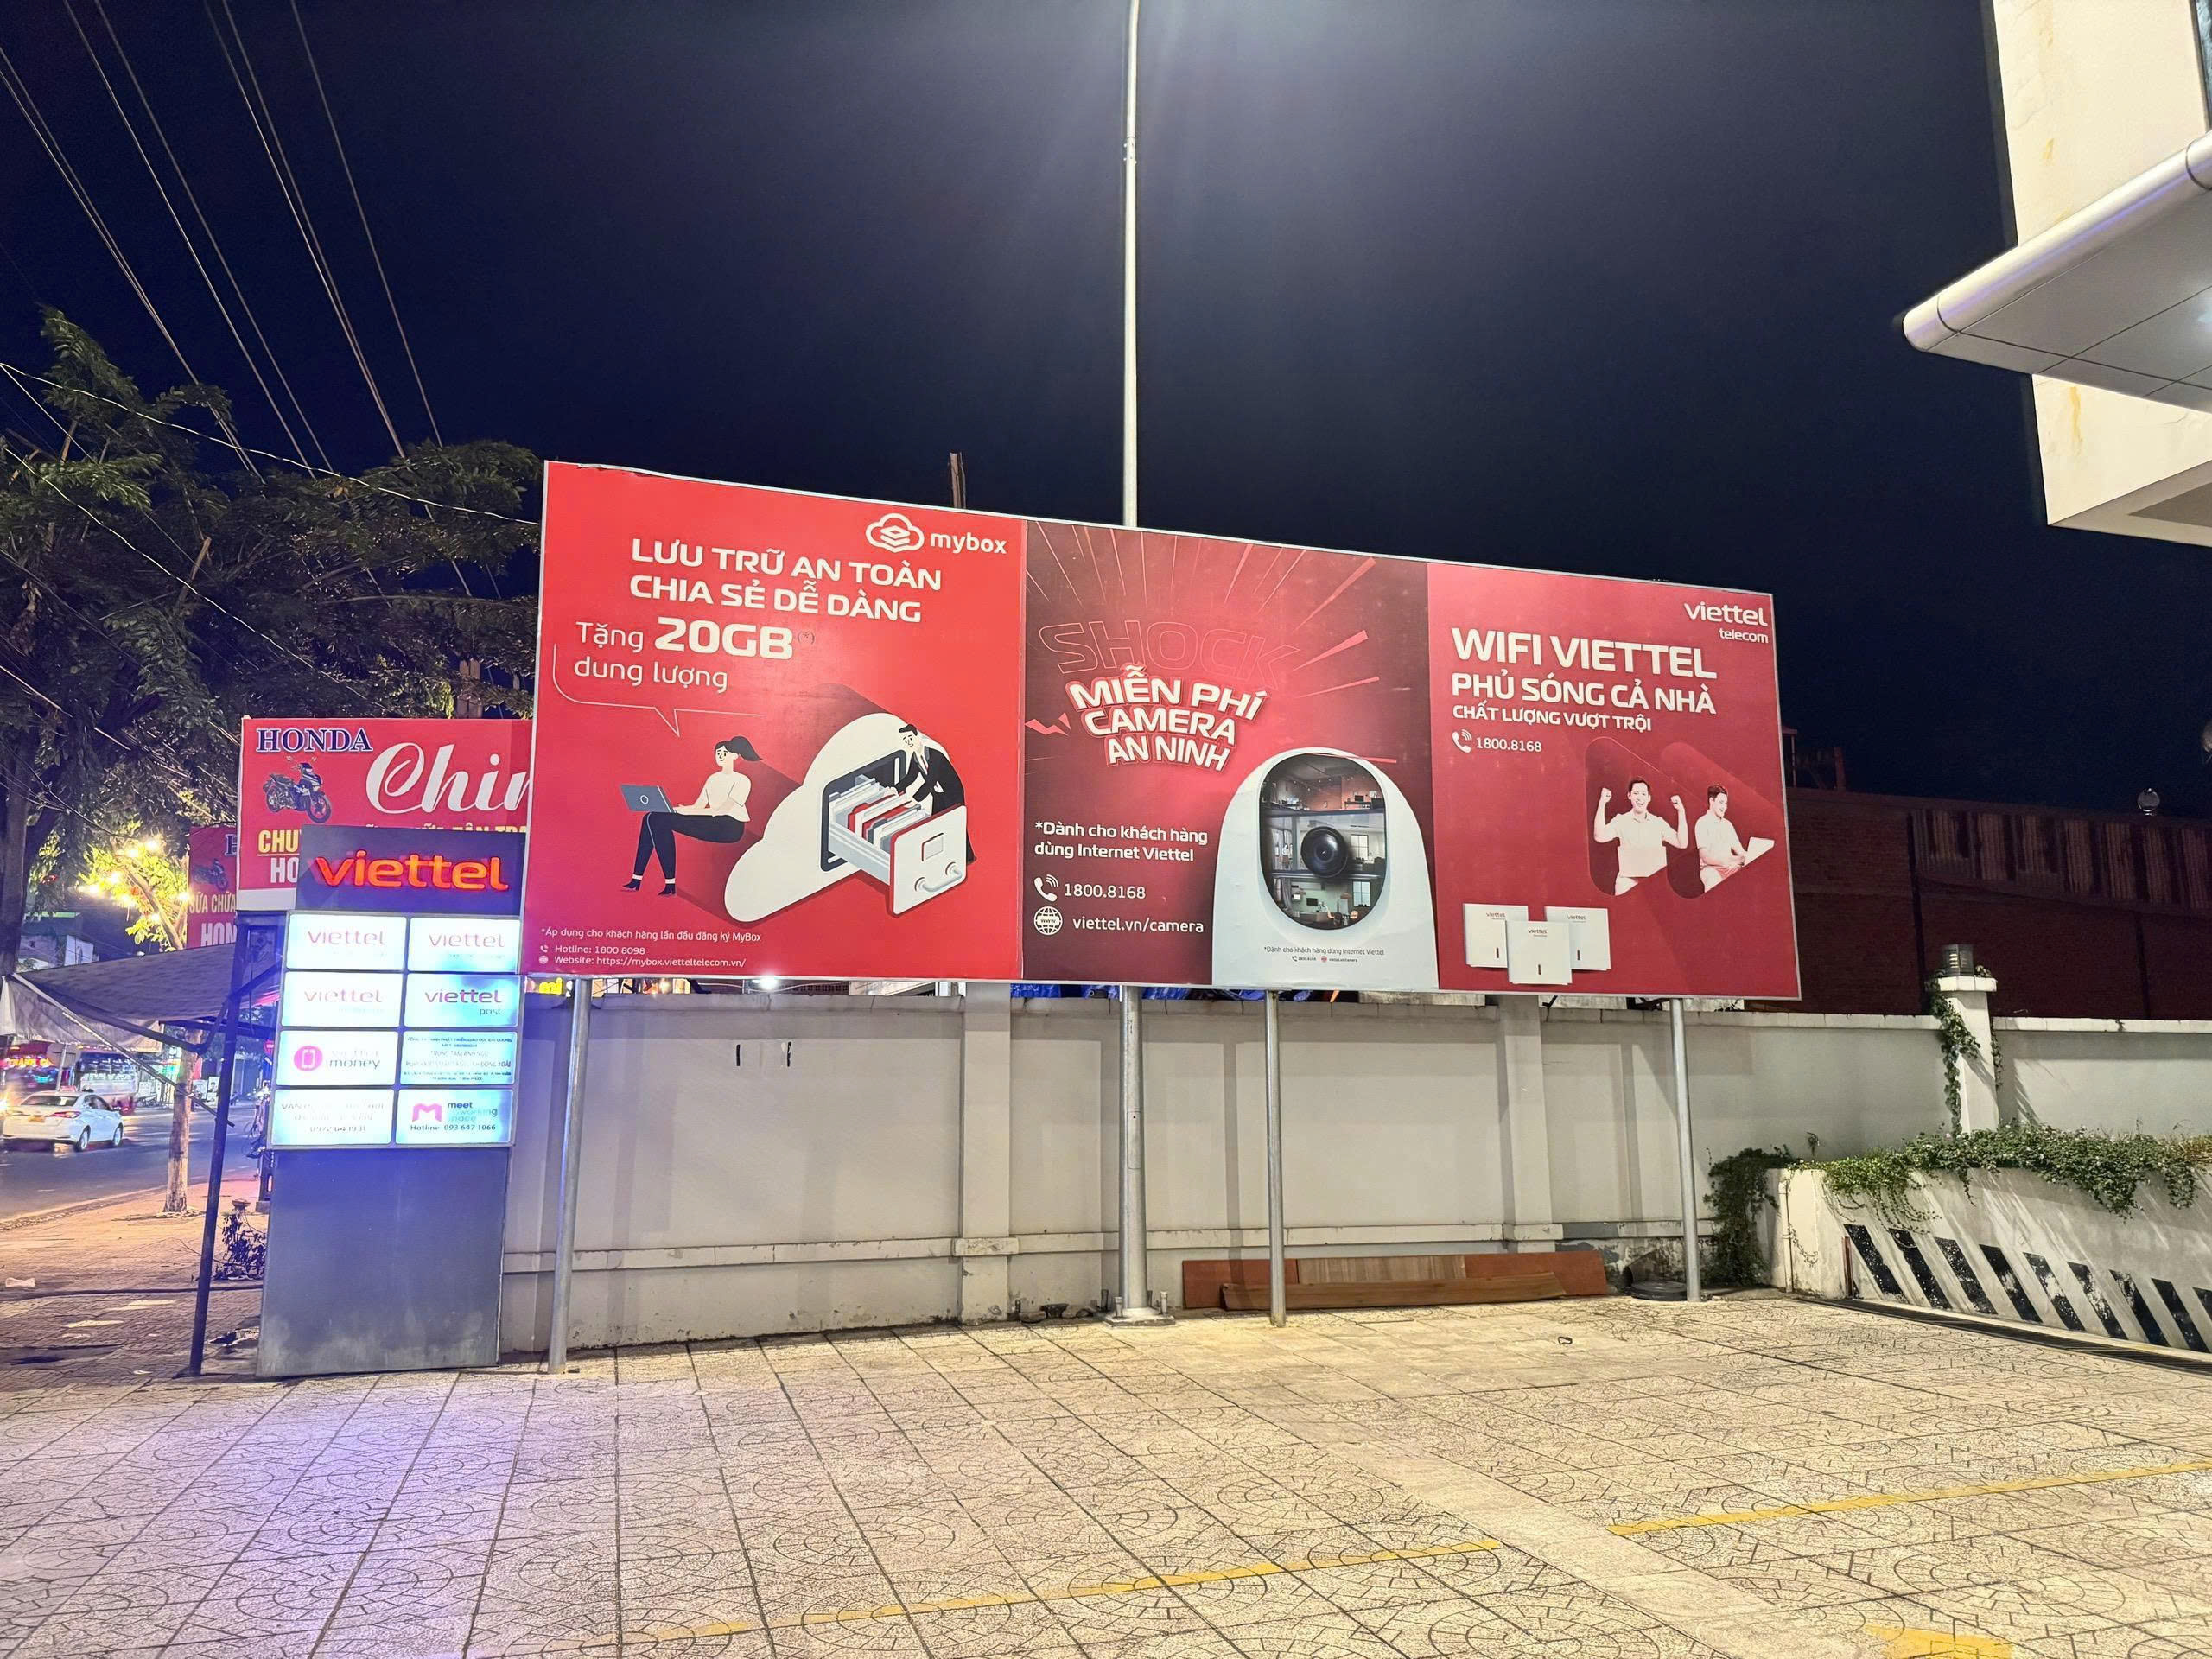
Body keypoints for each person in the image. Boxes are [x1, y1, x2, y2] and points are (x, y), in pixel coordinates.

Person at [627, 735, 758, 894]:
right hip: (711, 821)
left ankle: (668, 884)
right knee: (652, 817)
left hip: (730, 827)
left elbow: (722, 811)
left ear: (735, 756)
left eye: (725, 753)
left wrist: (686, 812)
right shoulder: (712, 779)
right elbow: (698, 806)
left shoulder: (742, 781)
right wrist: (673, 809)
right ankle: (638, 879)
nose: (720, 756)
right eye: (718, 753)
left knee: (659, 820)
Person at [888, 723, 972, 861]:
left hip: (952, 793)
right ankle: (944, 855)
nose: (908, 742)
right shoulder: (915, 757)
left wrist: (916, 799)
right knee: (936, 824)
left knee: (956, 823)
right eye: (905, 740)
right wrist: (895, 789)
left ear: (917, 736)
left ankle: (967, 857)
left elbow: (930, 781)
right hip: (937, 795)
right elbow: (911, 777)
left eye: (910, 738)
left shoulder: (935, 756)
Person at [1593, 777, 1686, 894]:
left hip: (1653, 882)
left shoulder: (1658, 823)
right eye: (1636, 793)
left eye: (1643, 794)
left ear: (1649, 798)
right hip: (1627, 882)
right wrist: (1602, 802)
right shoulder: (1621, 821)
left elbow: (1682, 843)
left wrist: (1681, 811)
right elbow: (1599, 836)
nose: (1640, 798)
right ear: (1629, 796)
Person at [1695, 785, 1750, 891]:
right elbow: (1705, 856)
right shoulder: (1702, 823)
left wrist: (1751, 857)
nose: (1724, 807)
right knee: (1712, 879)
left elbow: (1741, 851)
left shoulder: (1727, 825)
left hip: (1730, 868)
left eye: (1725, 803)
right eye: (1721, 802)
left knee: (1749, 875)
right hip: (1711, 869)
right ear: (1711, 801)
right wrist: (1731, 860)